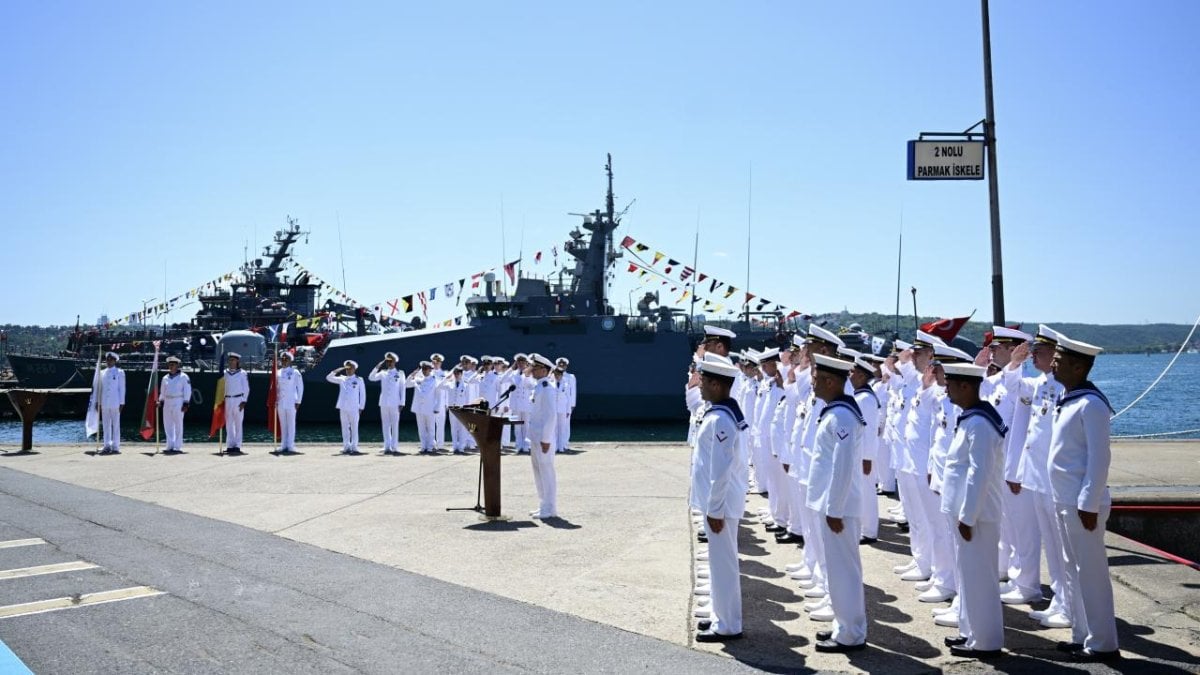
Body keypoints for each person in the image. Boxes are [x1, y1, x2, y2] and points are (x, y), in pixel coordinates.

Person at [1049, 335, 1120, 662]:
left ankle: (1103, 643)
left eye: (1059, 360)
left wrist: (1089, 503)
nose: (1053, 363)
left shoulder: (1091, 403)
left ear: (1078, 366)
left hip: (1081, 504)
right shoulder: (1069, 398)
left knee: (1090, 573)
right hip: (1065, 500)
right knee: (1073, 571)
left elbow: (1099, 459)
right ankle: (1082, 635)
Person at [940, 361, 1007, 658]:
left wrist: (967, 516)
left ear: (965, 386)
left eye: (950, 383)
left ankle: (986, 641)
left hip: (976, 516)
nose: (946, 388)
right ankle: (971, 633)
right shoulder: (971, 418)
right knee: (968, 576)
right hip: (967, 514)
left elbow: (977, 474)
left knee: (980, 579)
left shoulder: (979, 424)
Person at [807, 354, 868, 653]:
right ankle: (843, 625)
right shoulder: (835, 412)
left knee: (844, 571)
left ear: (831, 381)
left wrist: (833, 509)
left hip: (838, 508)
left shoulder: (842, 416)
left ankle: (851, 633)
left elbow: (842, 467)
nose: (812, 382)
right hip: (832, 505)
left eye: (817, 378)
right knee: (837, 570)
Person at [690, 353, 749, 643]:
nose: (699, 385)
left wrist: (714, 510)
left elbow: (721, 470)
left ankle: (728, 624)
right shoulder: (720, 412)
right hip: (718, 504)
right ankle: (719, 615)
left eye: (703, 381)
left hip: (721, 506)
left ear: (716, 384)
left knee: (724, 565)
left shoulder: (722, 419)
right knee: (718, 563)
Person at [526, 353, 559, 519]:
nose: (532, 370)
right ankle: (543, 505)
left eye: (536, 368)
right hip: (536, 437)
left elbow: (551, 416)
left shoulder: (547, 388)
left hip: (543, 439)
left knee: (546, 471)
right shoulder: (538, 386)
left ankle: (550, 508)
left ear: (545, 370)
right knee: (538, 471)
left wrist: (546, 439)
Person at [369, 352, 406, 455]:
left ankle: (394, 447)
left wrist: (402, 403)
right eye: (387, 361)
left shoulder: (400, 373)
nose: (389, 363)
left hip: (395, 403)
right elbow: (371, 378)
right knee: (385, 425)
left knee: (395, 425)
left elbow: (402, 389)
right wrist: (378, 366)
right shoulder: (382, 373)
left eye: (391, 361)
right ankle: (387, 446)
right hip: (384, 403)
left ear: (395, 361)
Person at [327, 360, 367, 455]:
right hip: (343, 407)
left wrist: (361, 407)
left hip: (354, 408)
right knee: (344, 428)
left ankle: (355, 447)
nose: (348, 370)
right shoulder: (342, 379)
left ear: (354, 369)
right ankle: (346, 447)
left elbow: (363, 395)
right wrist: (338, 369)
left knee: (354, 428)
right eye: (347, 368)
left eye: (350, 368)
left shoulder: (359, 379)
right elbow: (328, 378)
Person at [157, 356, 191, 454]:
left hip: (178, 400)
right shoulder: (165, 378)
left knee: (178, 424)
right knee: (167, 424)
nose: (171, 366)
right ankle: (169, 445)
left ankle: (177, 446)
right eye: (170, 364)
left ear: (177, 365)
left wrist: (186, 403)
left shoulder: (184, 377)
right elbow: (162, 392)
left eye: (173, 364)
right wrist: (160, 401)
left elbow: (187, 391)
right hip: (167, 401)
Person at [274, 351, 304, 455]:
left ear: (290, 360)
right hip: (281, 402)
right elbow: (275, 388)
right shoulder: (277, 372)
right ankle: (283, 445)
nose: (284, 360)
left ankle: (291, 445)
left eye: (286, 359)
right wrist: (275, 400)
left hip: (291, 401)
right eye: (282, 359)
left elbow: (300, 387)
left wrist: (298, 401)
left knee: (291, 424)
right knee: (283, 424)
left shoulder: (295, 372)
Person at [438, 366, 473, 453]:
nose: (457, 375)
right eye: (455, 373)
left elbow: (468, 398)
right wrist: (447, 377)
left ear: (461, 374)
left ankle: (461, 446)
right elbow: (439, 386)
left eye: (458, 373)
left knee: (462, 429)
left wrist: (467, 409)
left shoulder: (465, 384)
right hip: (452, 409)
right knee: (453, 428)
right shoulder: (450, 384)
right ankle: (455, 446)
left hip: (461, 409)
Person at [97, 352, 126, 455]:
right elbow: (100, 389)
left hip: (115, 402)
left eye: (111, 360)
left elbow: (122, 388)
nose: (109, 362)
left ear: (115, 361)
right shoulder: (102, 373)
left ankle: (116, 446)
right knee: (105, 425)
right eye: (107, 360)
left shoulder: (120, 372)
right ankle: (106, 445)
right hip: (105, 402)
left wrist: (122, 403)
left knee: (116, 425)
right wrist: (99, 402)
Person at [408, 361, 439, 454]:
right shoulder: (418, 379)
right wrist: (413, 373)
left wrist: (436, 407)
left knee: (430, 428)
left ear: (430, 370)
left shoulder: (434, 380)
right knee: (421, 428)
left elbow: (438, 395)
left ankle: (430, 446)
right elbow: (406, 384)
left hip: (429, 407)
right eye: (423, 369)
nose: (425, 371)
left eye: (426, 369)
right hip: (419, 408)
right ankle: (423, 446)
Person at [222, 353, 250, 455]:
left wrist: (244, 400)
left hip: (238, 399)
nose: (231, 362)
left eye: (233, 360)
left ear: (237, 361)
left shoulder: (242, 373)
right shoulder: (225, 372)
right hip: (228, 399)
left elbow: (246, 388)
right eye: (230, 360)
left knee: (238, 423)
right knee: (229, 423)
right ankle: (230, 445)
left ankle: (237, 445)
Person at [555, 357, 577, 451]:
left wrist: (572, 405)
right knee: (554, 427)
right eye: (560, 364)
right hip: (555, 406)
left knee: (565, 426)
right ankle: (555, 445)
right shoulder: (552, 377)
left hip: (565, 405)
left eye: (563, 364)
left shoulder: (570, 377)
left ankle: (564, 444)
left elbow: (572, 392)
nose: (561, 366)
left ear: (566, 366)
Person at [430, 354, 448, 450]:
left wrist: (447, 403)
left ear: (441, 363)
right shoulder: (429, 373)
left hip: (441, 403)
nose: (435, 364)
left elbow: (447, 390)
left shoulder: (445, 374)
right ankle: (432, 444)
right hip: (430, 402)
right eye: (434, 362)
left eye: (437, 362)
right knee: (431, 424)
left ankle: (440, 445)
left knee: (440, 425)